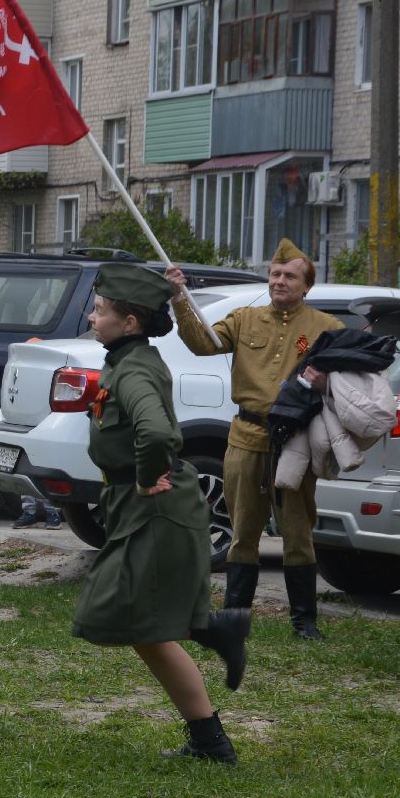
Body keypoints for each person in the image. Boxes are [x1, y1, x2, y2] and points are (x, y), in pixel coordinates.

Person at [72, 265, 252, 764]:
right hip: (138, 506)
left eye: (101, 309)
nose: (93, 314)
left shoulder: (132, 368)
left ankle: (212, 631)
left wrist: (149, 475)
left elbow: (156, 433)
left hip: (154, 505)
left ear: (129, 322)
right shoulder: (128, 359)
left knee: (114, 613)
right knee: (140, 624)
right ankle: (210, 732)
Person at [165, 240, 343, 640]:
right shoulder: (244, 319)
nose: (280, 281)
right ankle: (234, 618)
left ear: (306, 285)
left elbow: (351, 382)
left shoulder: (326, 328)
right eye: (276, 274)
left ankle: (304, 622)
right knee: (243, 531)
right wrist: (179, 297)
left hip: (295, 441)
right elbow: (203, 342)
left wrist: (326, 380)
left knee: (298, 531)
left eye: (290, 276)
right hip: (246, 436)